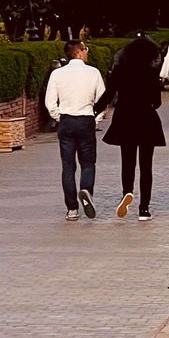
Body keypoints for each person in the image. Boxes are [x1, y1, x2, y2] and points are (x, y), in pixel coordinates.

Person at [97, 35, 165, 222]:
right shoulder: (150, 72)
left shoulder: (120, 70)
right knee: (146, 165)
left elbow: (109, 95)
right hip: (146, 118)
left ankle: (127, 192)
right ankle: (144, 209)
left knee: (127, 162)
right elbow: (157, 102)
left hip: (125, 117)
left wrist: (93, 110)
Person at [44, 39, 105, 221]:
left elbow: (49, 102)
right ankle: (86, 192)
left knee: (68, 166)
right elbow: (102, 100)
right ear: (79, 52)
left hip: (66, 121)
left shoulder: (57, 74)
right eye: (85, 49)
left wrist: (59, 117)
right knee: (88, 163)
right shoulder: (93, 72)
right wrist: (96, 119)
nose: (87, 52)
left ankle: (72, 208)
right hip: (86, 120)